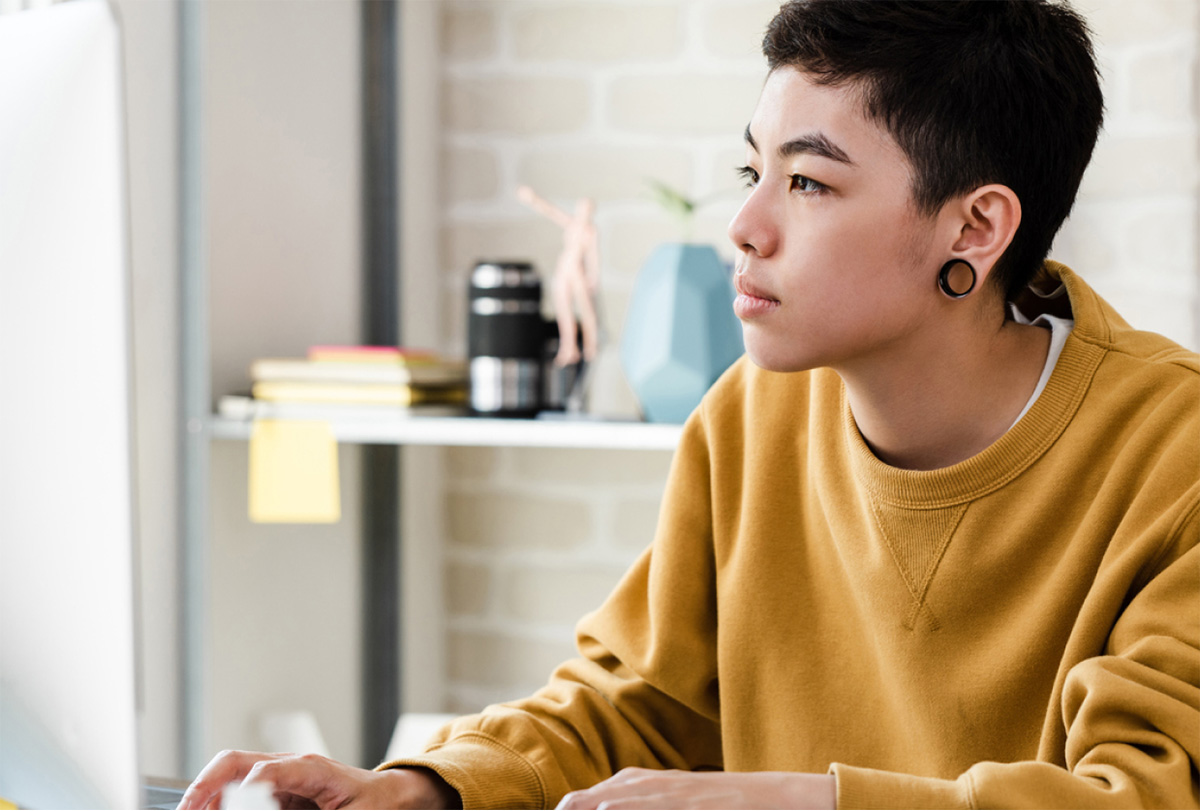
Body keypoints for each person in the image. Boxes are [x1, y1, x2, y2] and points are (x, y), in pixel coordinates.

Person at [179, 1, 1199, 808]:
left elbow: (1142, 797)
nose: (746, 224)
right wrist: (421, 787)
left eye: (808, 183)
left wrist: (797, 802)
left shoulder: (1172, 452)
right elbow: (636, 700)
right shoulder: (749, 414)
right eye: (752, 170)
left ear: (974, 229)